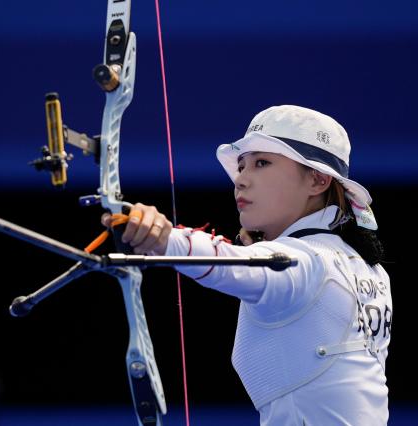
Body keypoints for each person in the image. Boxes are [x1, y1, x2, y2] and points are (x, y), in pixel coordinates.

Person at [103, 105, 392, 425]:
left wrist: (164, 238)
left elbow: (237, 264)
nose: (241, 179)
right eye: (241, 166)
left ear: (318, 180)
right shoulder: (369, 269)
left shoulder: (306, 263)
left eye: (262, 163)